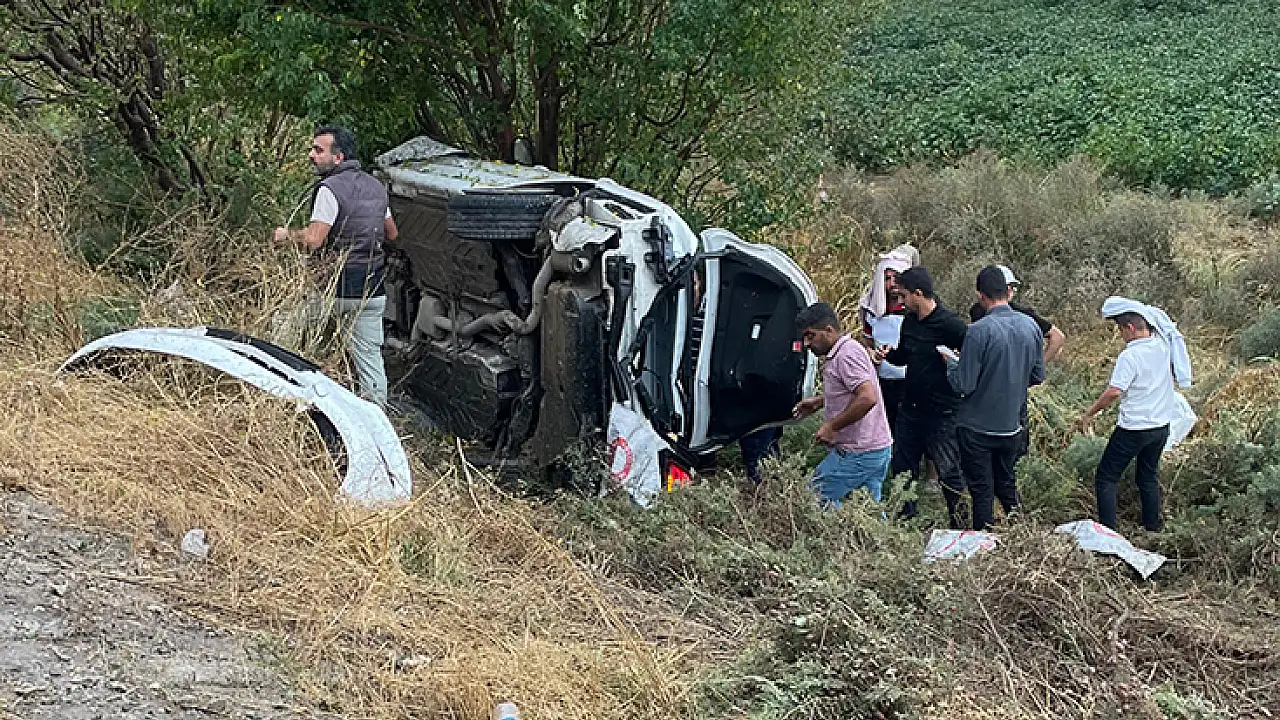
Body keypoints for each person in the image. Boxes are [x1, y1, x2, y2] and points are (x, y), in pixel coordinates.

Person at [273, 126, 398, 407]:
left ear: (338, 157)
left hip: (333, 289)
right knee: (370, 360)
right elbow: (392, 233)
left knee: (285, 329)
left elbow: (314, 240)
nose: (311, 155)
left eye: (318, 150)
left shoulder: (329, 190)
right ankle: (376, 417)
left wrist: (285, 236)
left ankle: (286, 399)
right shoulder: (376, 187)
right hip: (371, 290)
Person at [945, 266, 1045, 530]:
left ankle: (984, 541)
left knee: (982, 493)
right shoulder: (1031, 326)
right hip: (1012, 425)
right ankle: (1022, 534)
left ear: (981, 295)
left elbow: (964, 384)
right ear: (1007, 291)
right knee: (1007, 485)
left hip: (976, 427)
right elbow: (1037, 375)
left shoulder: (978, 331)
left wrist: (951, 364)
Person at [877, 267, 969, 528]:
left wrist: (956, 362)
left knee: (949, 472)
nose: (901, 301)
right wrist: (887, 354)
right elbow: (904, 356)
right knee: (902, 468)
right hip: (910, 409)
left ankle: (961, 525)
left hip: (942, 413)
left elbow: (972, 360)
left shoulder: (951, 325)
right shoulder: (910, 322)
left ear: (918, 293)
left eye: (904, 295)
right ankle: (905, 521)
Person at [1077, 307, 1181, 532]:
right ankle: (1152, 527)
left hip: (1134, 428)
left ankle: (1108, 532)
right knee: (1148, 476)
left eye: (1121, 330)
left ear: (1130, 328)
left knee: (1106, 477)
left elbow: (1114, 391)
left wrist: (1090, 413)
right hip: (1160, 426)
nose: (1121, 335)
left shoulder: (1130, 356)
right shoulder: (1162, 346)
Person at [792, 302, 894, 507]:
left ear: (828, 330)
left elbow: (868, 397)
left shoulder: (846, 355)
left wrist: (832, 426)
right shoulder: (846, 351)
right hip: (874, 448)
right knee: (868, 509)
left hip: (857, 451)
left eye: (810, 336)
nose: (806, 344)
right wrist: (820, 401)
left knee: (813, 497)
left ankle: (833, 528)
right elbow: (852, 390)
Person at [969, 264, 1067, 460]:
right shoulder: (982, 312)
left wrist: (1033, 367)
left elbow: (1057, 337)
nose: (1012, 291)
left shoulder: (1021, 315)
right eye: (1011, 287)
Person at [859, 245, 918, 434]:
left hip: (909, 381)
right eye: (887, 278)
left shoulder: (914, 311)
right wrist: (871, 353)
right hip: (881, 380)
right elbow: (867, 340)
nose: (892, 284)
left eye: (896, 278)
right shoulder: (872, 310)